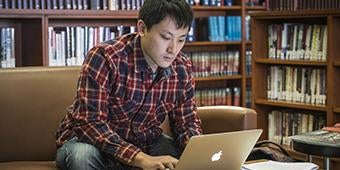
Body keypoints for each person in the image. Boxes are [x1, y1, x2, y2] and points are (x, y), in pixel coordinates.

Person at [55, 0, 202, 169]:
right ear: (142, 28)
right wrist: (139, 158)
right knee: (81, 157)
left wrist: (199, 152)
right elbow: (90, 123)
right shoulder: (105, 57)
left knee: (184, 158)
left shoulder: (182, 67)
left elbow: (186, 122)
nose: (173, 49)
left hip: (145, 143)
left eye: (181, 39)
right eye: (166, 37)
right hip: (90, 142)